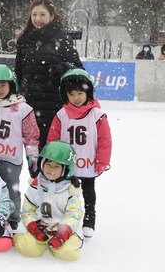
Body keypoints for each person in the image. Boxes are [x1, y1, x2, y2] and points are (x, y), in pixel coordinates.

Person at [47, 69, 112, 238]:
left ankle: (89, 220)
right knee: (65, 192)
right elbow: (53, 139)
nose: (76, 98)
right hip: (67, 164)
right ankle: (66, 219)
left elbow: (105, 139)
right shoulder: (62, 115)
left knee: (88, 192)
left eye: (80, 93)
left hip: (88, 162)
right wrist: (51, 159)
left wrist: (102, 161)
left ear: (88, 93)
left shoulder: (96, 114)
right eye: (72, 93)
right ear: (65, 94)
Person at [0, 64, 40, 230]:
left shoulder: (23, 108)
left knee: (11, 189)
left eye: (3, 85)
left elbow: (31, 134)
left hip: (12, 159)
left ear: (12, 85)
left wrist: (32, 156)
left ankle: (12, 218)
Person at [15, 0, 83, 151]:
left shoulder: (62, 38)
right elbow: (18, 73)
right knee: (32, 152)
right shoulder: (24, 40)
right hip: (29, 106)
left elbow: (78, 69)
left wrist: (62, 68)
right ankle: (35, 176)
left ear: (52, 16)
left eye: (42, 14)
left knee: (51, 152)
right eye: (34, 14)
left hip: (54, 106)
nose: (37, 19)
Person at [14, 141, 84, 261]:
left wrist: (65, 230)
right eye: (48, 164)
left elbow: (74, 215)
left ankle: (57, 245)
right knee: (28, 249)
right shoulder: (36, 186)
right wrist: (33, 226)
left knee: (69, 254)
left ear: (66, 170)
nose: (51, 169)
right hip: (41, 228)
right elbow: (27, 212)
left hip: (64, 230)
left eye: (57, 166)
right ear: (42, 164)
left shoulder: (70, 191)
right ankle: (18, 238)